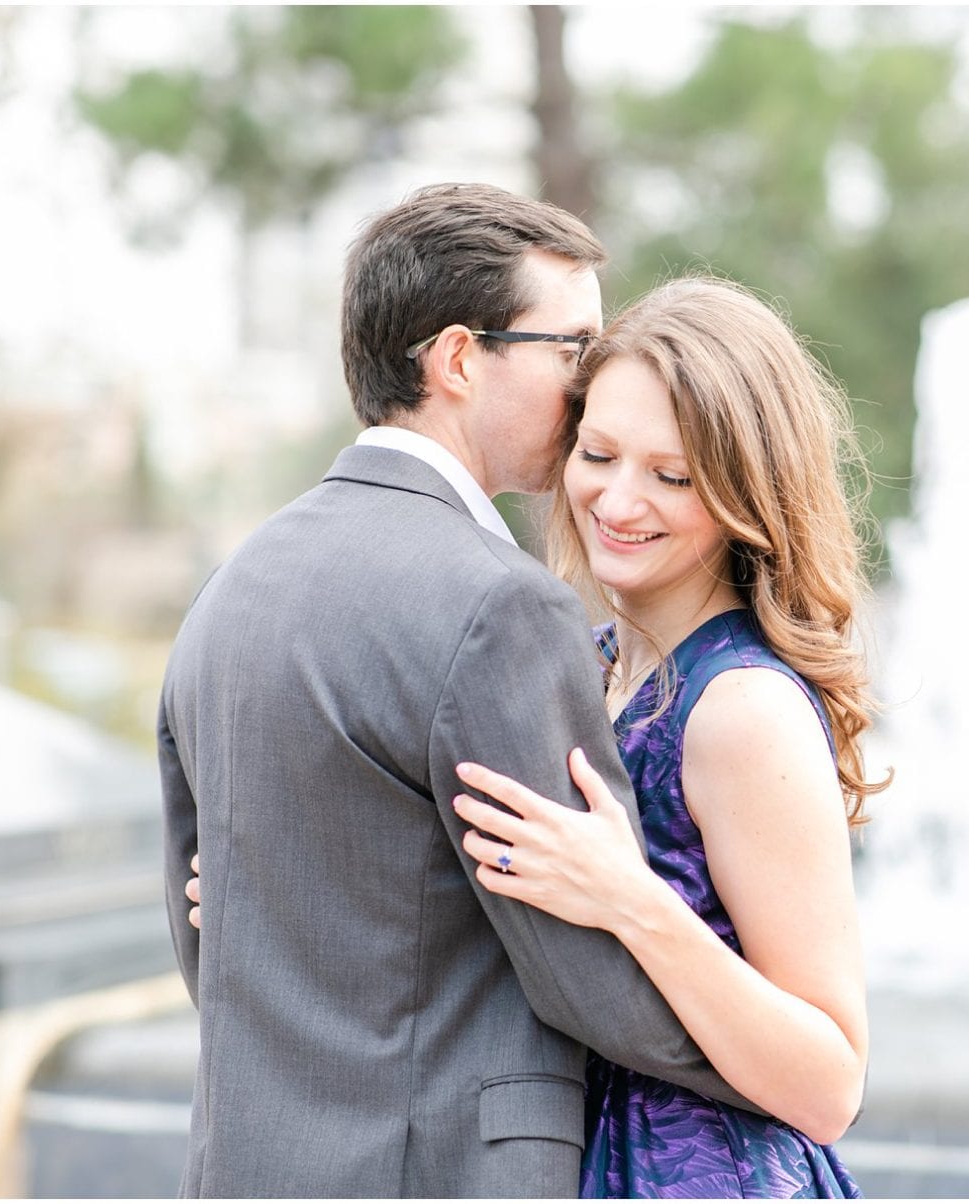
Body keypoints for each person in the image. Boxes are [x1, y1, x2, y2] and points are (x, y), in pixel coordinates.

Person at [187, 276, 886, 1197]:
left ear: (743, 492)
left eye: (672, 476)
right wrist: (282, 879)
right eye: (598, 454)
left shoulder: (743, 709)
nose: (618, 500)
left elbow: (831, 1082)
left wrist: (632, 901)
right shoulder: (583, 663)